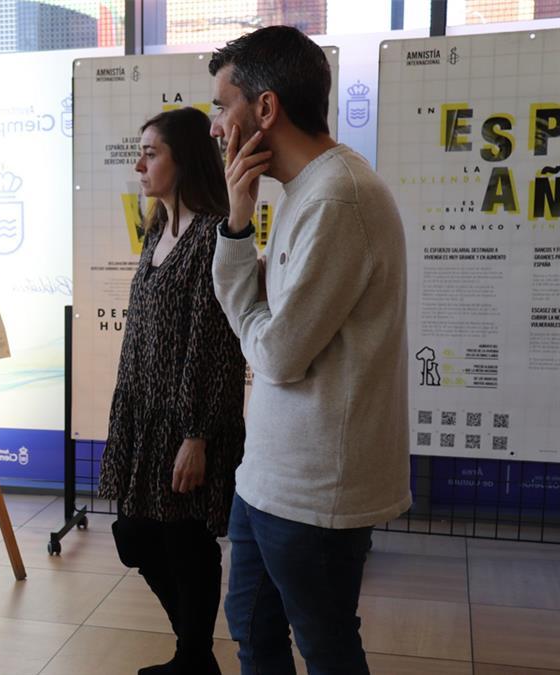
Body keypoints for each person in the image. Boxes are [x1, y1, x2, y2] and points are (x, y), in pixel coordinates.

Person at [207, 26, 410, 675]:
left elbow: (276, 354)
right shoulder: (305, 192)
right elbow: (266, 318)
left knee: (324, 648)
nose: (215, 127)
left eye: (222, 105)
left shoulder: (338, 197)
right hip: (266, 474)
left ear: (265, 109)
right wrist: (238, 222)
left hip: (316, 490)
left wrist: (249, 290)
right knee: (253, 632)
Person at [98, 106, 247, 675]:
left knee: (184, 540)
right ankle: (197, 656)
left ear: (183, 160)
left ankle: (193, 658)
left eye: (151, 153)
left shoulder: (211, 234)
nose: (139, 165)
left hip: (187, 421)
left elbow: (213, 348)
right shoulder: (159, 229)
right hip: (143, 412)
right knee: (135, 535)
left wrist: (198, 436)